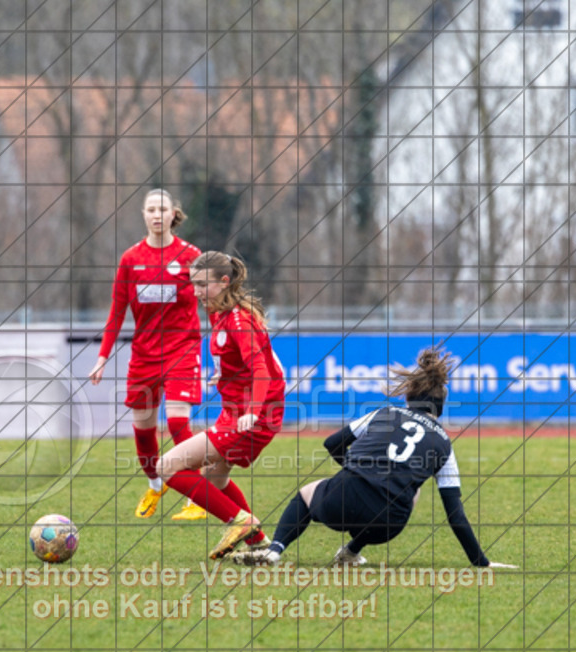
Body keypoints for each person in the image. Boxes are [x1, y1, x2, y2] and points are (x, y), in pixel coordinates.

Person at [231, 346, 517, 569]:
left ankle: (274, 551)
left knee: (306, 493)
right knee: (412, 493)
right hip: (387, 525)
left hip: (340, 502)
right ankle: (350, 552)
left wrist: (356, 468)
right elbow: (455, 514)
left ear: (408, 398)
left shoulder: (384, 413)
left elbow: (332, 443)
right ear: (440, 408)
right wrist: (481, 562)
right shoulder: (444, 444)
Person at [156, 251, 286, 560]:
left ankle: (241, 522)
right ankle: (259, 544)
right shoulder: (221, 313)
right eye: (193, 284)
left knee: (166, 466)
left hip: (251, 415)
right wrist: (223, 374)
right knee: (215, 478)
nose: (196, 292)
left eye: (203, 285)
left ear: (224, 282)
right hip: (239, 411)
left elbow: (262, 371)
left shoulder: (239, 320)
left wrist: (252, 411)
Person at [88, 189, 207, 521]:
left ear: (173, 214)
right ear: (144, 214)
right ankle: (155, 485)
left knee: (178, 421)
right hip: (144, 355)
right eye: (151, 209)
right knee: (143, 430)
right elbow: (117, 311)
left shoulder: (190, 255)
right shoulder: (131, 259)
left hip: (183, 349)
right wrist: (102, 356)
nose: (157, 215)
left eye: (162, 209)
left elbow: (212, 298)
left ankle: (197, 496)